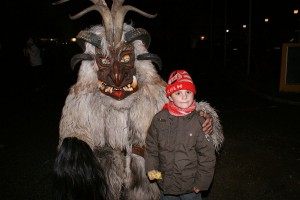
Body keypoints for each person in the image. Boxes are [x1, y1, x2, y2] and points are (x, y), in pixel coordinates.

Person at [145, 69, 217, 200]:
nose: (184, 97)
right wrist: (152, 170)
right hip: (165, 184)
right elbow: (151, 147)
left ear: (193, 94)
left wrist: (202, 182)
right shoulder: (159, 119)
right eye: (178, 93)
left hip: (190, 186)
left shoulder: (199, 122)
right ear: (170, 96)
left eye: (188, 92)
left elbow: (207, 155)